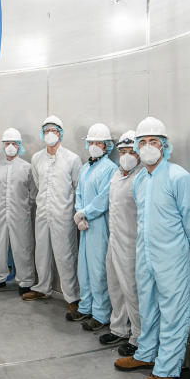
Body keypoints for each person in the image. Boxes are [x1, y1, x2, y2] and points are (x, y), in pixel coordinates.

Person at [115, 117, 190, 379]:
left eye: (154, 142)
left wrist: (179, 250)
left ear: (164, 146)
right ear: (137, 149)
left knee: (174, 311)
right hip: (146, 255)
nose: (148, 147)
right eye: (143, 143)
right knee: (148, 307)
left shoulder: (179, 176)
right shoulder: (140, 179)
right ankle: (146, 352)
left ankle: (165, 370)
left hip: (172, 257)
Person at [23, 116, 83, 322]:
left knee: (65, 255)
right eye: (47, 130)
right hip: (43, 212)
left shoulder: (72, 159)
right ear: (42, 133)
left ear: (61, 133)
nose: (51, 133)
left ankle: (72, 296)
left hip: (63, 214)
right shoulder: (37, 158)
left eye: (55, 130)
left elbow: (78, 188)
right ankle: (42, 287)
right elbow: (39, 183)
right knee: (42, 251)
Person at [99, 130, 144, 355]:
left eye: (131, 151)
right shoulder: (117, 175)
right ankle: (119, 329)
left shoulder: (142, 177)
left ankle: (137, 337)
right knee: (115, 286)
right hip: (114, 239)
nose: (126, 156)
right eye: (123, 151)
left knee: (132, 291)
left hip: (132, 244)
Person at [74, 123, 118, 332]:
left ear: (107, 145)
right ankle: (86, 306)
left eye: (98, 142)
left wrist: (86, 213)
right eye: (91, 142)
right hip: (84, 225)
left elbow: (104, 199)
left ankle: (101, 314)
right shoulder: (85, 167)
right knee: (84, 268)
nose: (94, 146)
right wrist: (78, 212)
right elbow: (79, 193)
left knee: (98, 269)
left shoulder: (110, 169)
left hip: (99, 225)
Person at [0, 128, 37, 294]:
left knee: (23, 247)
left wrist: (23, 207)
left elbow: (33, 193)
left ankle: (25, 281)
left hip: (20, 213)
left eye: (14, 143)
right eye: (8, 143)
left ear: (19, 146)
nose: (11, 146)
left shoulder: (27, 168)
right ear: (3, 145)